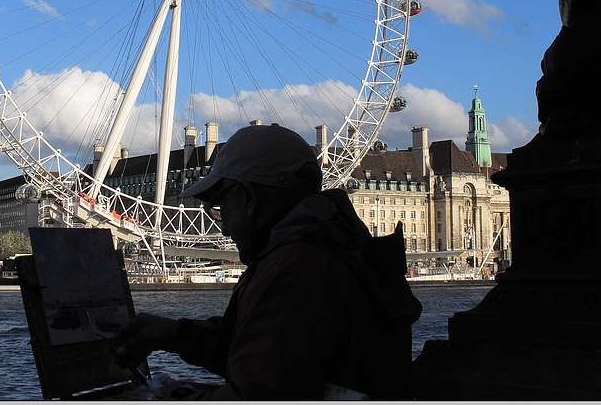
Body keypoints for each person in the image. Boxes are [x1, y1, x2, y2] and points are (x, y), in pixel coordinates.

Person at [111, 123, 422, 400]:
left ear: (248, 199)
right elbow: (274, 355)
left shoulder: (296, 270)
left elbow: (263, 392)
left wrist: (174, 396)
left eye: (220, 205)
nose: (222, 225)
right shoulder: (338, 249)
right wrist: (177, 335)